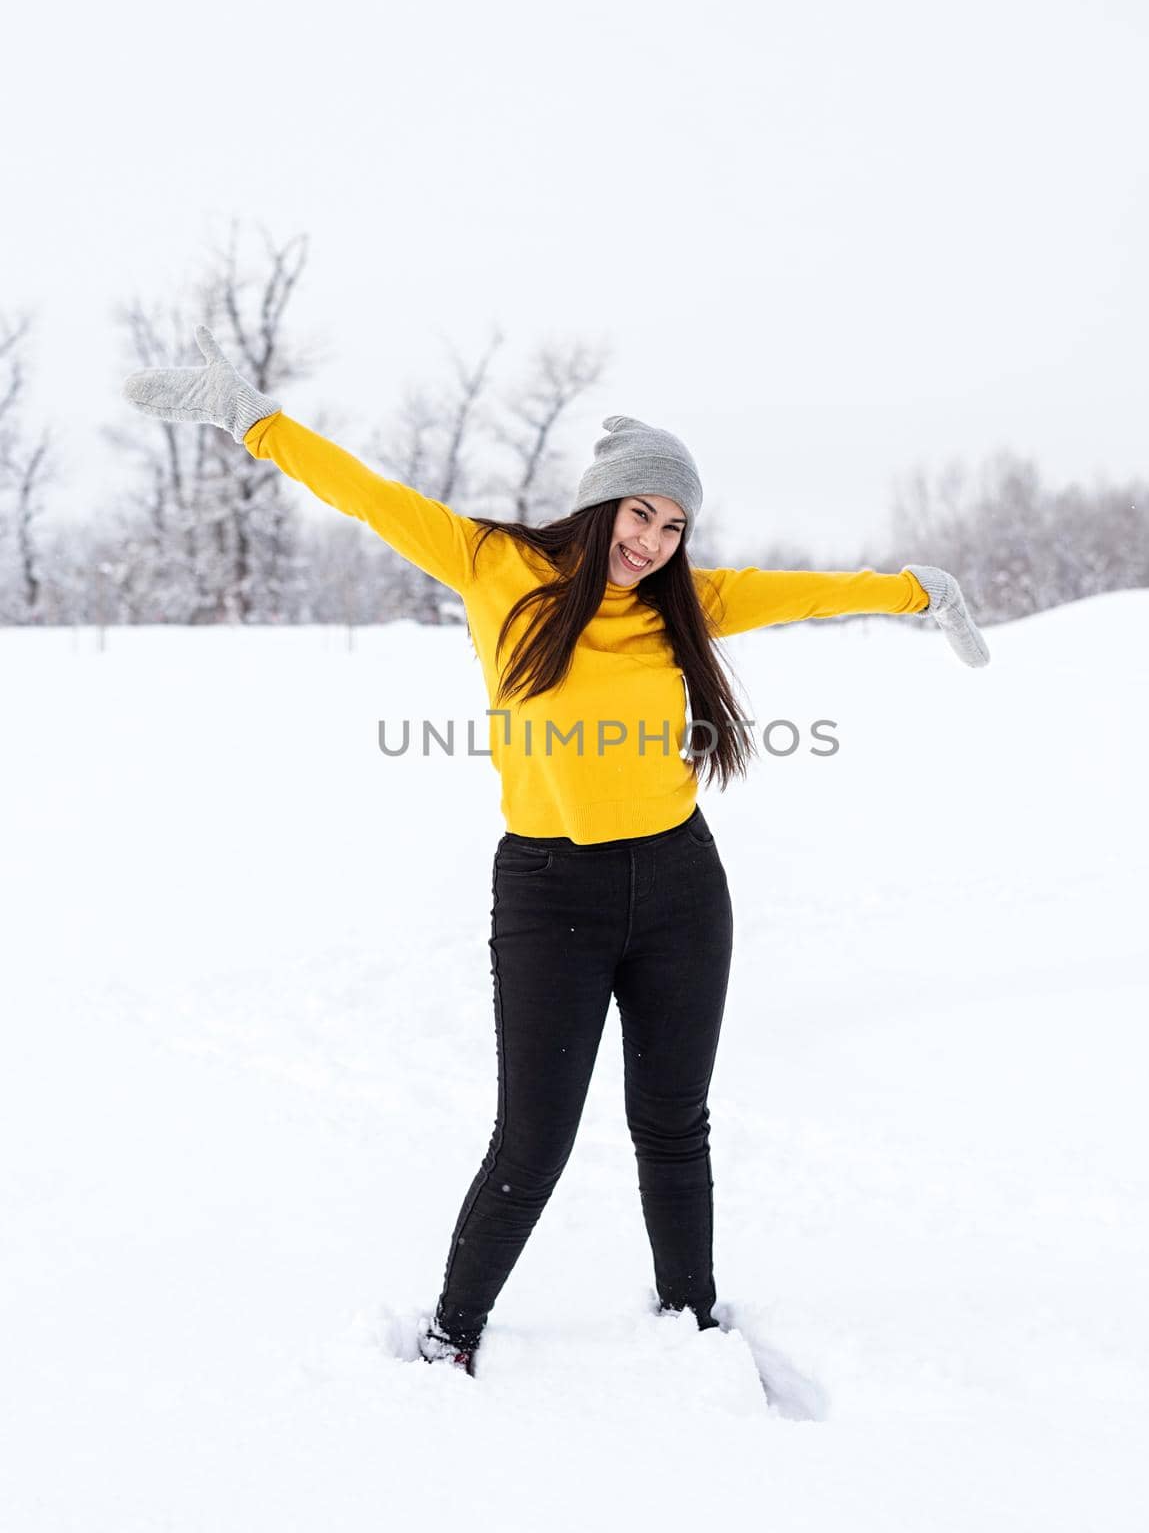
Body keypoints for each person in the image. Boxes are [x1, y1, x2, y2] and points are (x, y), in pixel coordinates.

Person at [123, 326, 990, 1378]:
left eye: (673, 524)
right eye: (642, 513)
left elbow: (812, 590)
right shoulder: (497, 565)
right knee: (532, 1139)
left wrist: (921, 589)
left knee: (673, 1123)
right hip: (549, 893)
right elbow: (367, 492)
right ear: (603, 503)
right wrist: (253, 417)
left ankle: (692, 1323)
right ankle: (451, 1334)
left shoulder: (689, 605)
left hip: (680, 886)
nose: (656, 540)